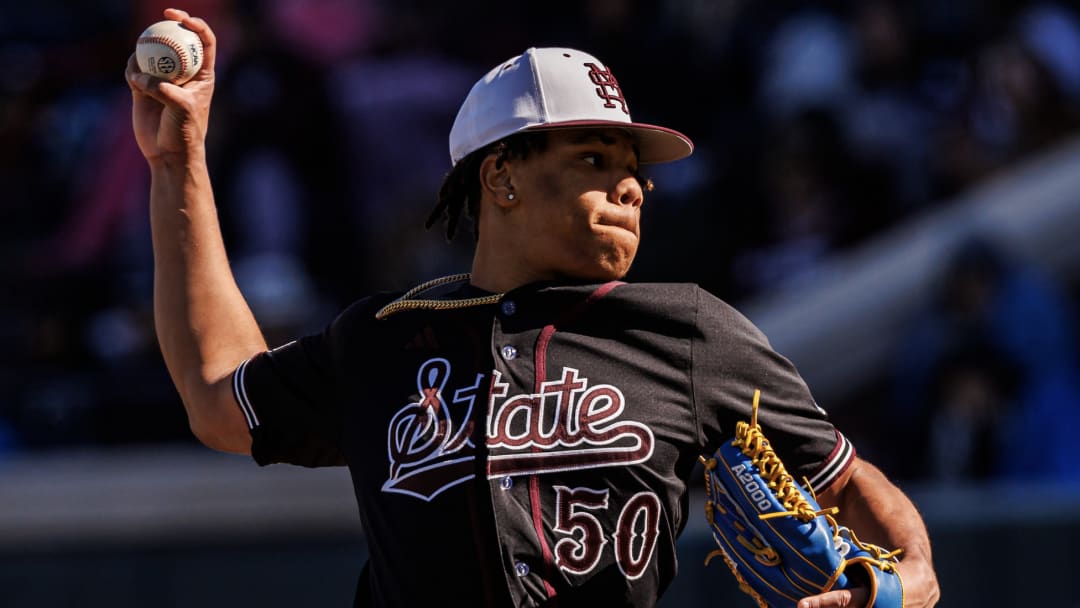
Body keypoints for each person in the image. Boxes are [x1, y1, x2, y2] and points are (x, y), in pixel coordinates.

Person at [126, 8, 940, 608]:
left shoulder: (692, 331)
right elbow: (219, 393)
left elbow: (863, 494)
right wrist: (177, 163)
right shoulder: (386, 339)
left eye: (635, 168)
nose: (632, 184)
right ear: (501, 176)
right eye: (594, 157)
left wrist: (894, 588)